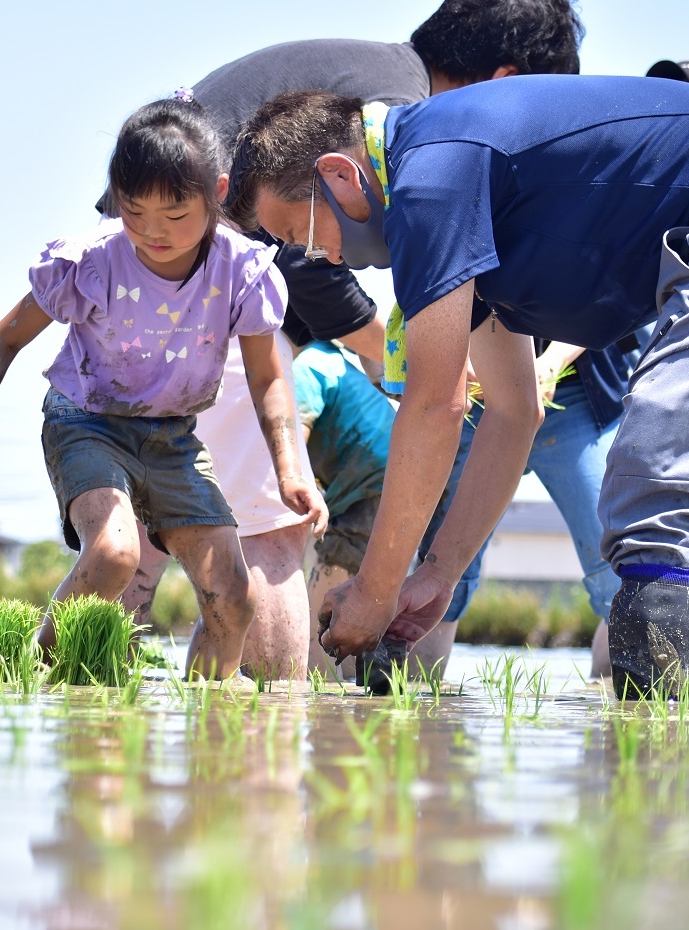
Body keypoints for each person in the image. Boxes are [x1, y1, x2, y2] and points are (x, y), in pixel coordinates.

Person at [230, 79, 689, 701]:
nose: (325, 260)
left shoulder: (430, 169)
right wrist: (440, 571)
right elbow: (512, 412)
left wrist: (375, 588)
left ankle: (659, 772)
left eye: (306, 237)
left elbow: (434, 403)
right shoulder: (460, 195)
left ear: (341, 176)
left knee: (651, 485)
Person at [120, 0, 586, 677]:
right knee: (275, 532)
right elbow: (313, 259)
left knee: (150, 523)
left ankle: (92, 720)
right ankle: (259, 761)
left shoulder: (375, 74)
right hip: (198, 276)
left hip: (145, 269)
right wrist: (398, 351)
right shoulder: (408, 115)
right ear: (503, 79)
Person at [0, 97, 327, 681]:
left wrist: (290, 471)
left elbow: (267, 379)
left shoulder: (242, 271)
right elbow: (2, 340)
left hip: (171, 437)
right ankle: (30, 677)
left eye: (175, 215)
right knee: (113, 554)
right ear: (116, 197)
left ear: (216, 194)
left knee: (234, 594)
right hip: (85, 422)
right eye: (135, 213)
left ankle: (216, 732)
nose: (154, 233)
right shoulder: (91, 261)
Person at [292, 341, 396, 675]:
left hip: (370, 483)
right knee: (362, 590)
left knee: (333, 592)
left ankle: (321, 680)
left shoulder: (305, 365)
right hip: (386, 478)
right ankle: (359, 680)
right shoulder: (329, 357)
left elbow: (294, 440)